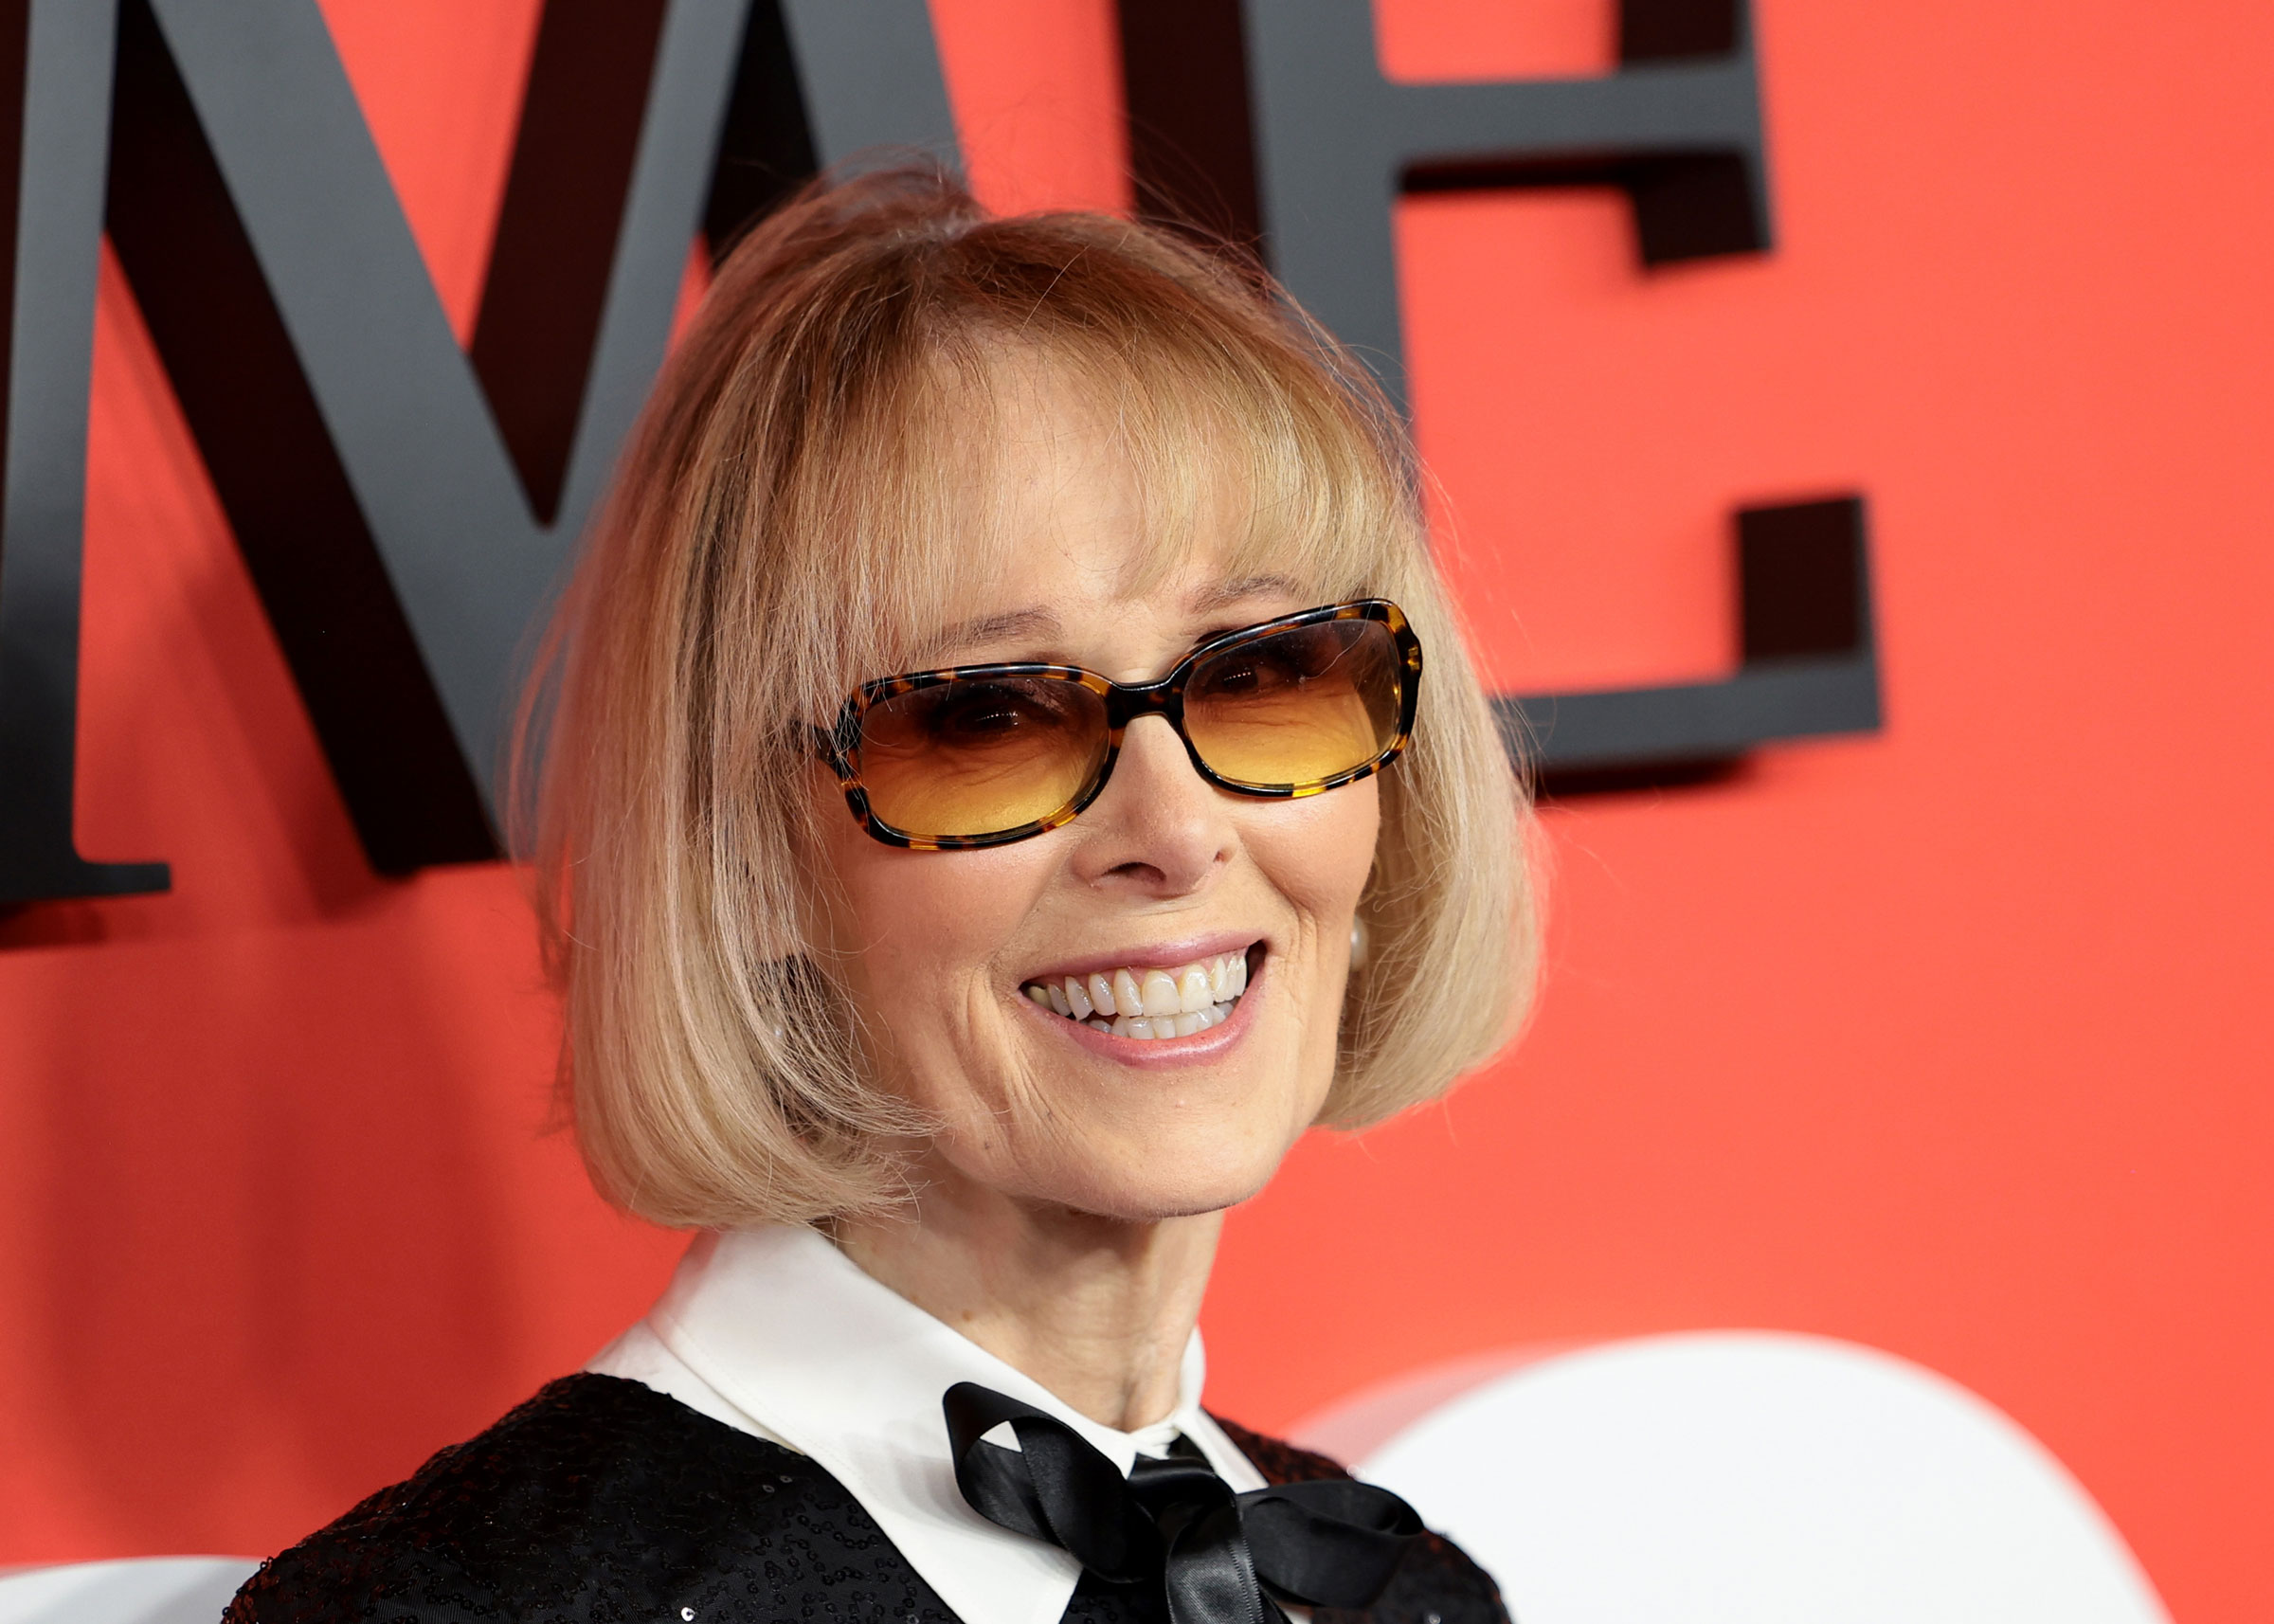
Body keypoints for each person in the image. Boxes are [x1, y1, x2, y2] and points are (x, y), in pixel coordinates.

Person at [226, 166, 1537, 1624]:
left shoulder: (1398, 1589)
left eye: (1264, 673)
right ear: (757, 857)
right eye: (986, 718)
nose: (1174, 830)